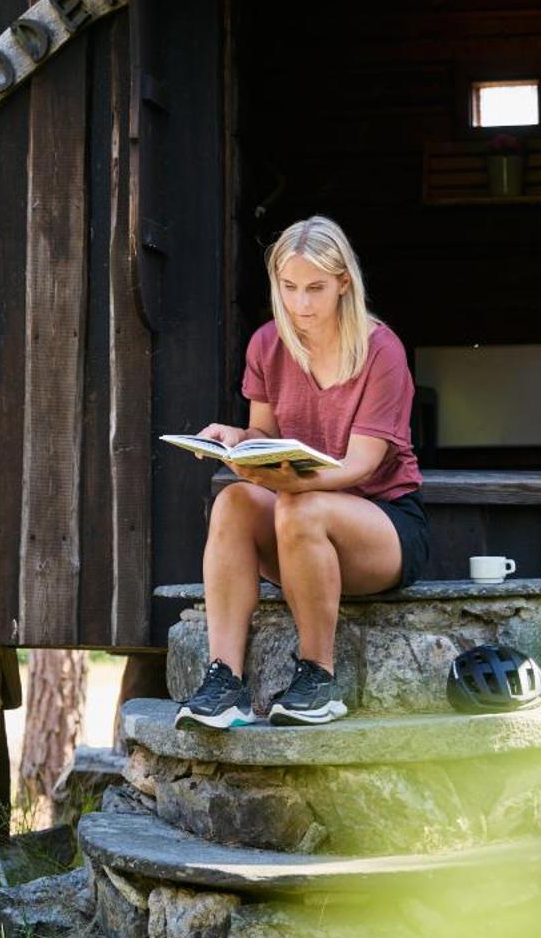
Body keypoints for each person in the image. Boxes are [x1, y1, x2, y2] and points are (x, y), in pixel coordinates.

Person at [178, 216, 429, 730]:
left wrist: (290, 485)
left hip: (383, 527)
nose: (302, 304)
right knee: (233, 501)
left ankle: (318, 678)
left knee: (299, 506)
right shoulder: (268, 344)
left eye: (315, 288)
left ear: (343, 283)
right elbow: (263, 435)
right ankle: (224, 680)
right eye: (289, 288)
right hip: (299, 519)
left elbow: (363, 463)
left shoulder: (382, 350)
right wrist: (235, 441)